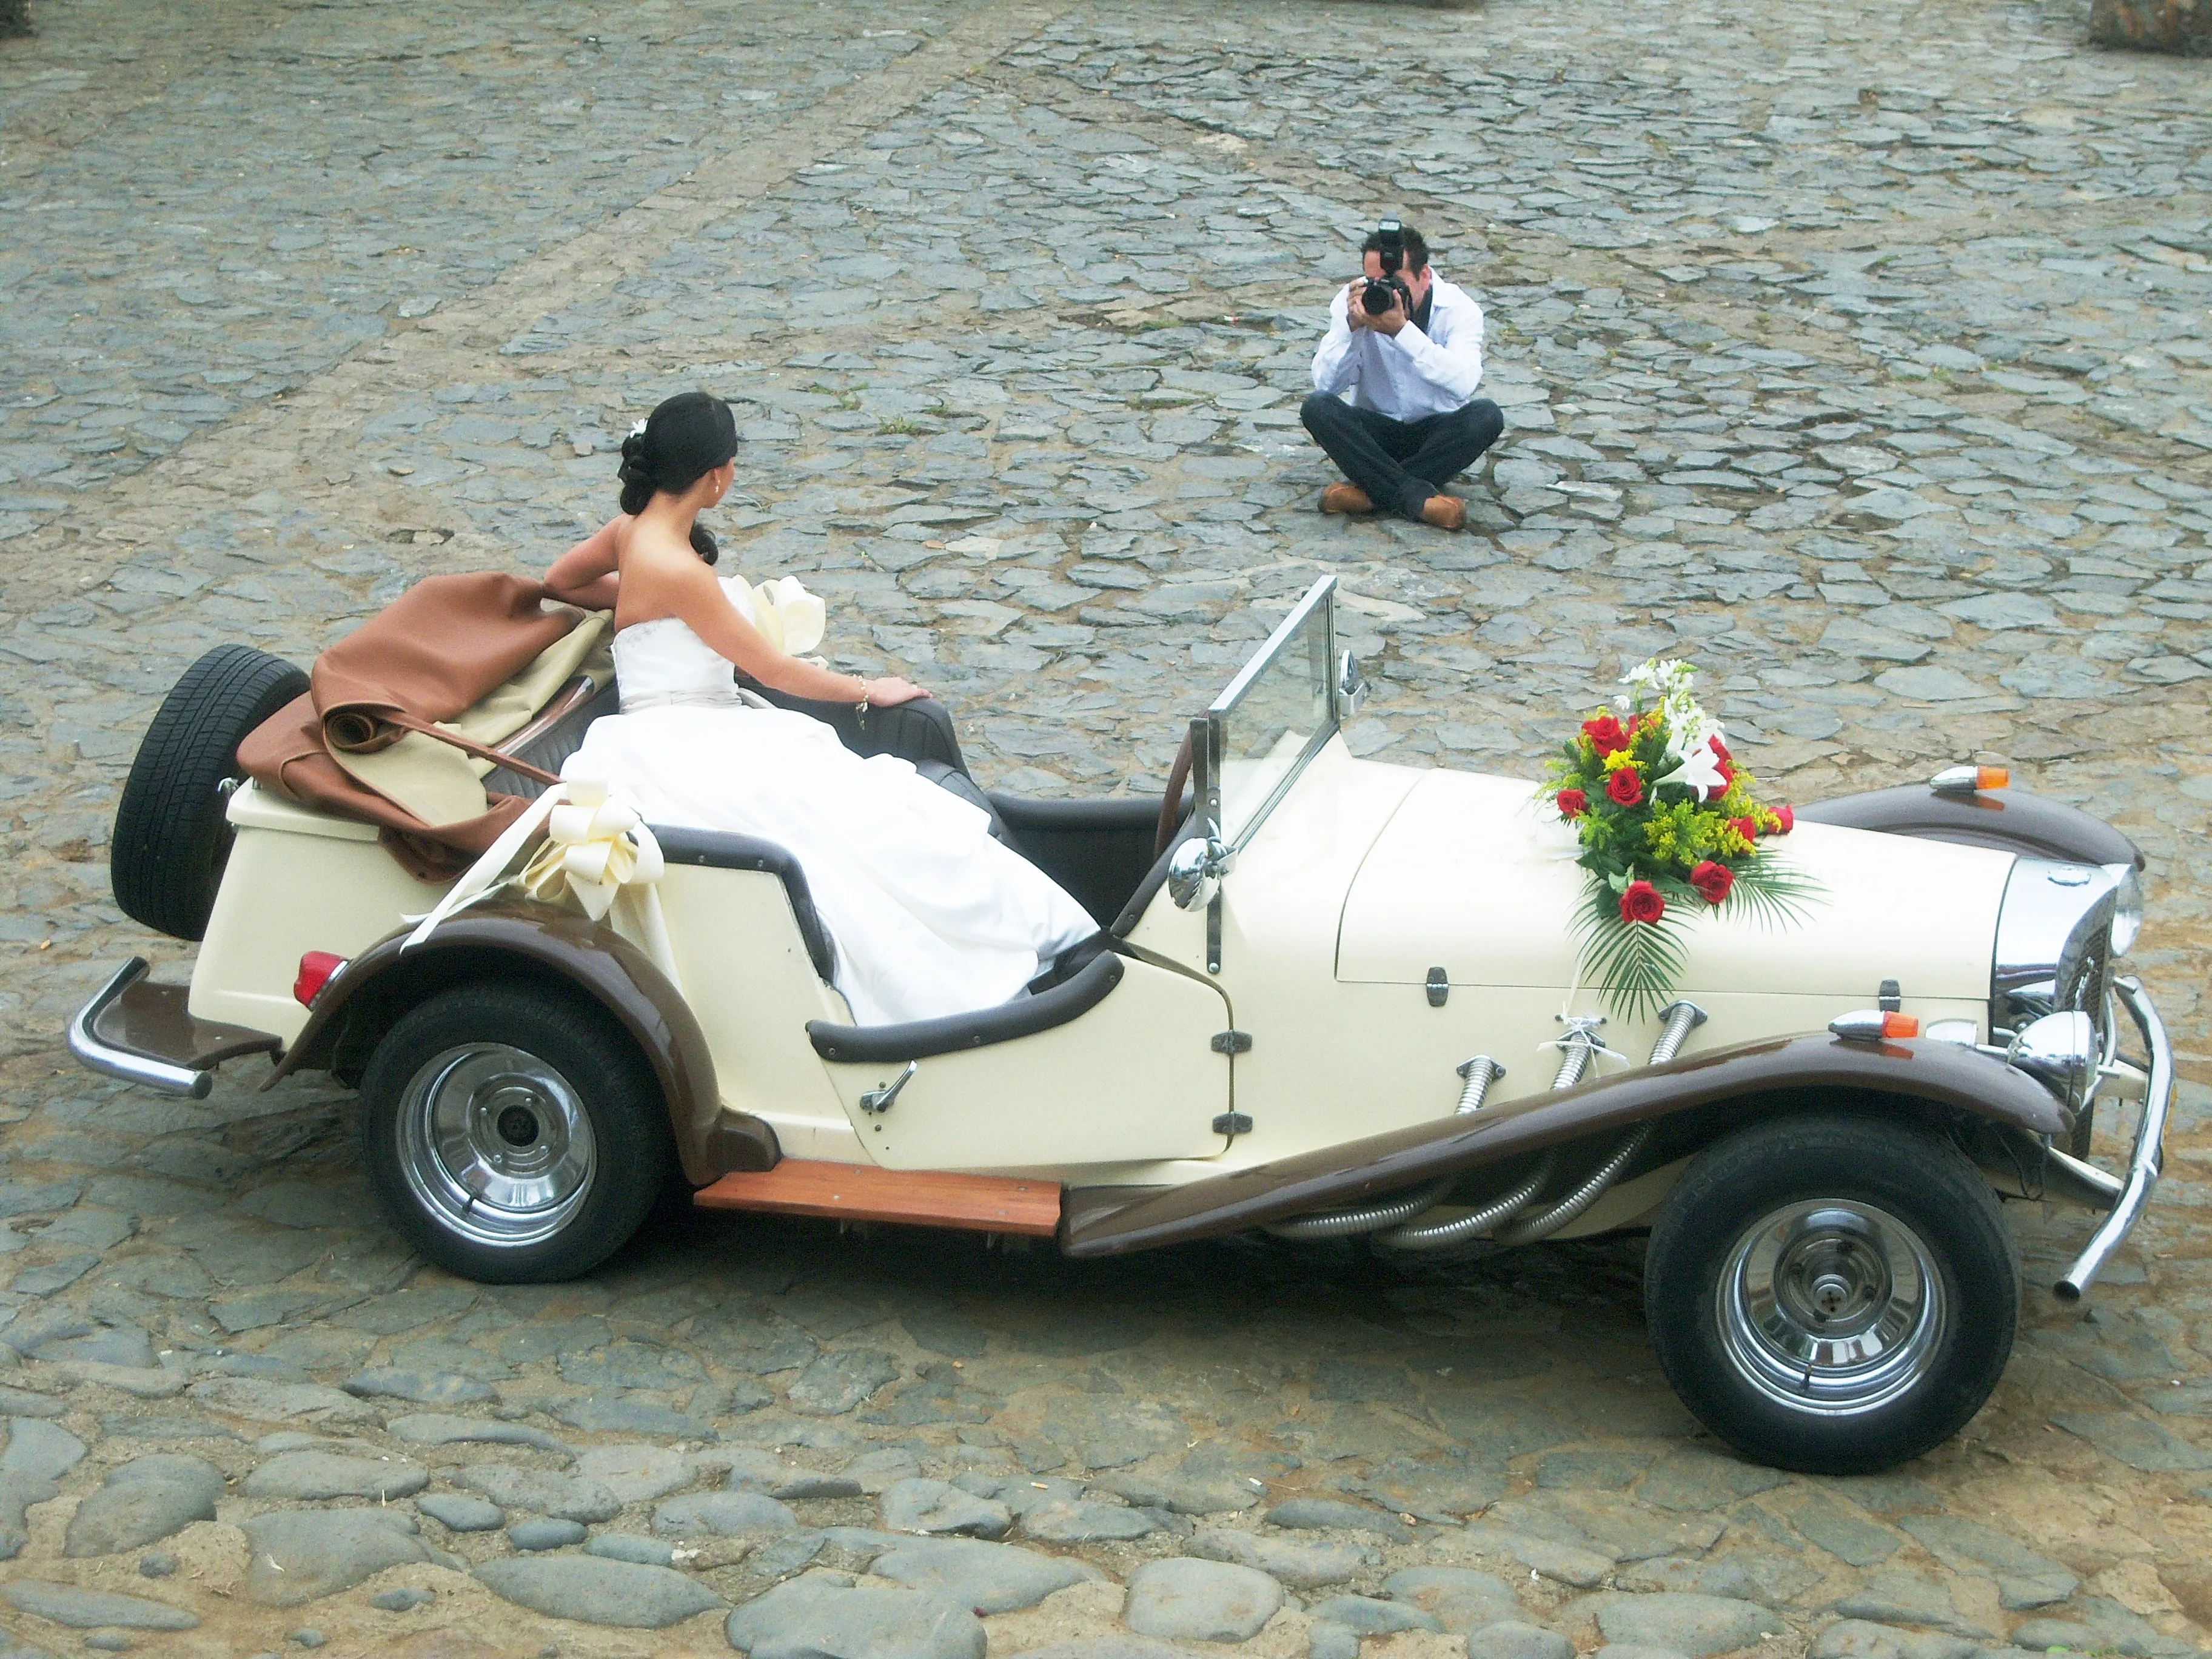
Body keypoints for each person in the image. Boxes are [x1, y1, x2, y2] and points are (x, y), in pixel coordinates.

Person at [543, 391, 1098, 1027]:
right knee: (853, 825)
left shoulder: (628, 535)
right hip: (693, 737)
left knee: (854, 812)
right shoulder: (681, 571)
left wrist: (636, 609)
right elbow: (773, 671)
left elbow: (560, 581)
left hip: (666, 728)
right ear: (715, 478)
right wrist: (868, 689)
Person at [1300, 219, 1504, 531]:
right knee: (1317, 407)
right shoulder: (1354, 301)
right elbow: (1327, 385)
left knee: (1486, 416)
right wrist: (1351, 330)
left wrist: (1402, 333)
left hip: (1435, 433)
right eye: (1373, 281)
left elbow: (1463, 384)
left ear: (1424, 276)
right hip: (1375, 431)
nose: (1384, 291)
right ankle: (1418, 500)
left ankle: (1371, 493)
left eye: (1394, 281)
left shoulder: (1460, 310)